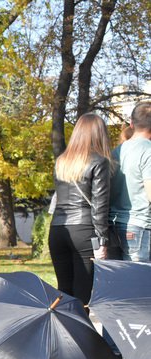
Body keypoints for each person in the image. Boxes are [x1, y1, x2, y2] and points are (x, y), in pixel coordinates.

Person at [49, 113, 112, 304]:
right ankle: (82, 332)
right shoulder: (99, 161)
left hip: (58, 230)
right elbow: (100, 206)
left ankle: (66, 332)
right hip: (84, 231)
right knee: (83, 292)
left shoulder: (61, 161)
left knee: (64, 289)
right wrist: (102, 240)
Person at [109, 101, 151, 262]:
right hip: (140, 225)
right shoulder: (148, 150)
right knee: (139, 283)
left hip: (113, 225)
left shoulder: (116, 151)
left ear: (132, 123)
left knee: (121, 282)